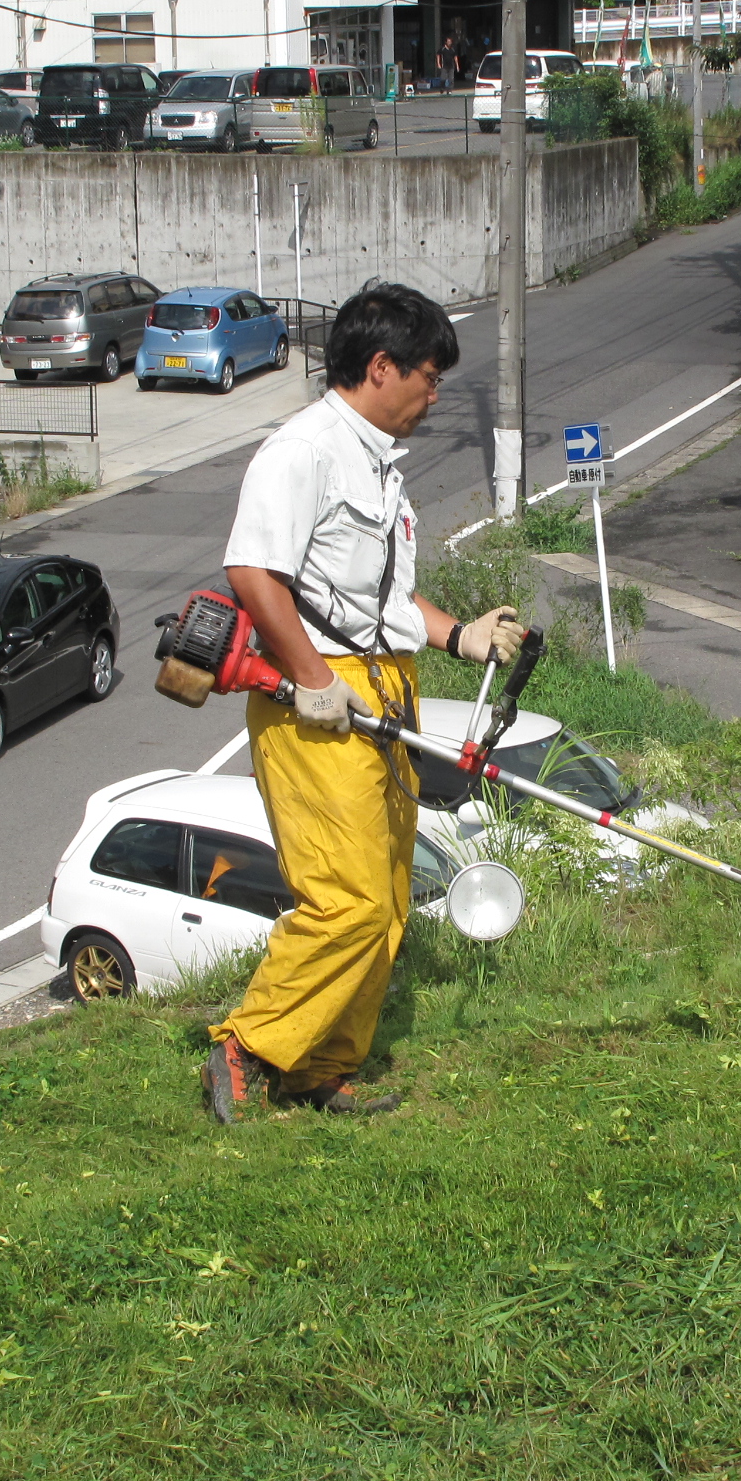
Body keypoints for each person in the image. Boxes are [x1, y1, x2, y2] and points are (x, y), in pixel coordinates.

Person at [203, 281, 524, 1123]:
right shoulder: (301, 452)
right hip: (319, 699)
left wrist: (461, 636)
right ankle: (246, 1045)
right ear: (381, 367)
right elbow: (253, 573)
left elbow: (381, 600)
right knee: (345, 896)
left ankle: (318, 1066)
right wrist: (314, 679)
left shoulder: (377, 463)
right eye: (429, 377)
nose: (435, 395)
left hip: (384, 692)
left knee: (385, 898)